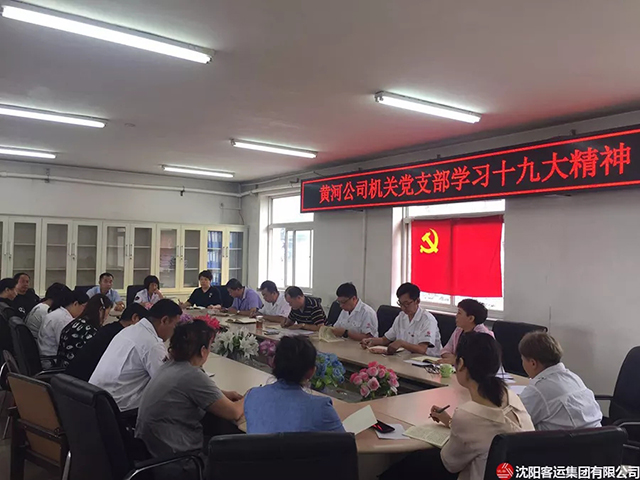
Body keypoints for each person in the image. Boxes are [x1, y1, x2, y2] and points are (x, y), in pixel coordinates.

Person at [430, 332, 534, 480]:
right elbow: (485, 428)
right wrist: (450, 422)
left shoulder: (466, 415)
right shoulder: (512, 396)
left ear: (461, 364)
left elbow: (450, 463)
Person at [136, 320, 244, 459]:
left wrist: (224, 394)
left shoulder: (170, 365)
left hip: (154, 449)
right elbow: (234, 412)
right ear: (203, 351)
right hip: (178, 458)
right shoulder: (192, 374)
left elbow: (191, 391)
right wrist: (250, 395)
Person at [90, 299, 181, 411]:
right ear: (165, 320)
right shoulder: (152, 344)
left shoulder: (129, 330)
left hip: (95, 401)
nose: (174, 331)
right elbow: (168, 385)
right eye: (175, 325)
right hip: (119, 411)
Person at [244, 336, 344, 433]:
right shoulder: (321, 408)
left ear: (273, 363)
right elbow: (346, 442)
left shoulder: (253, 396)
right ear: (311, 372)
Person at [519, 331, 602, 430]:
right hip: (600, 436)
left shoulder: (537, 390)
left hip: (565, 439)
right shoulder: (573, 377)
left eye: (522, 360)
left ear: (533, 363)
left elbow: (516, 421)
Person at [65, 303, 148, 382]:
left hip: (71, 378)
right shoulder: (123, 337)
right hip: (86, 382)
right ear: (135, 318)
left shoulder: (109, 328)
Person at [361, 283, 441, 355]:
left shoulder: (427, 320)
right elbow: (385, 340)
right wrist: (370, 340)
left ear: (417, 301)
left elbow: (422, 349)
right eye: (400, 304)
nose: (403, 308)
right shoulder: (401, 317)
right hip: (405, 358)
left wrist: (401, 343)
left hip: (427, 361)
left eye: (406, 304)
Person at [57, 294, 113, 369]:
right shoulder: (90, 331)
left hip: (62, 370)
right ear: (100, 310)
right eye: (107, 313)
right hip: (77, 371)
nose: (106, 317)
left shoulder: (74, 323)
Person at [38, 288, 89, 363]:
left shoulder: (59, 313)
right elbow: (66, 345)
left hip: (48, 357)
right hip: (53, 361)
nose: (85, 310)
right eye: (84, 306)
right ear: (75, 304)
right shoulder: (63, 319)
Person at [438, 299, 494, 365]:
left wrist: (457, 361)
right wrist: (456, 360)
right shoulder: (459, 329)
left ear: (471, 318)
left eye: (459, 313)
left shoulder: (484, 336)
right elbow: (445, 350)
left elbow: (479, 363)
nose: (456, 316)